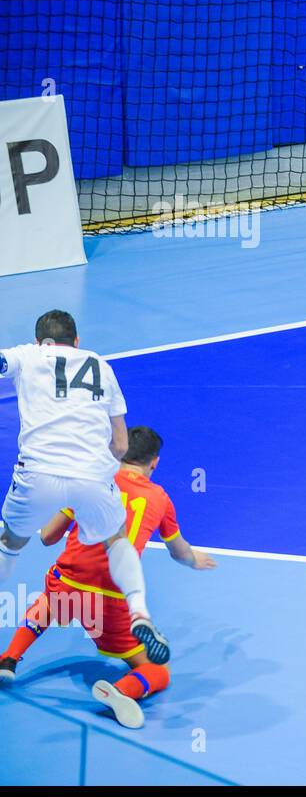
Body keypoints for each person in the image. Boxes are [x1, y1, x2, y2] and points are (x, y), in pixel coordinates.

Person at [0, 426, 216, 728]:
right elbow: (179, 553)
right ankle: (120, 690)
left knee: (50, 603)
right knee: (159, 670)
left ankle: (9, 658)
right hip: (112, 601)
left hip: (69, 581)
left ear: (119, 449)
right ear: (154, 462)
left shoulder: (92, 482)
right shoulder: (160, 499)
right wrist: (195, 561)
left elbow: (48, 536)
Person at [0, 311, 169, 662]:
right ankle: (139, 611)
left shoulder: (26, 355)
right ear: (76, 341)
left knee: (10, 543)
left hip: (37, 474)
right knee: (117, 540)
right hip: (91, 474)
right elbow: (121, 446)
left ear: (40, 342)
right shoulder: (99, 366)